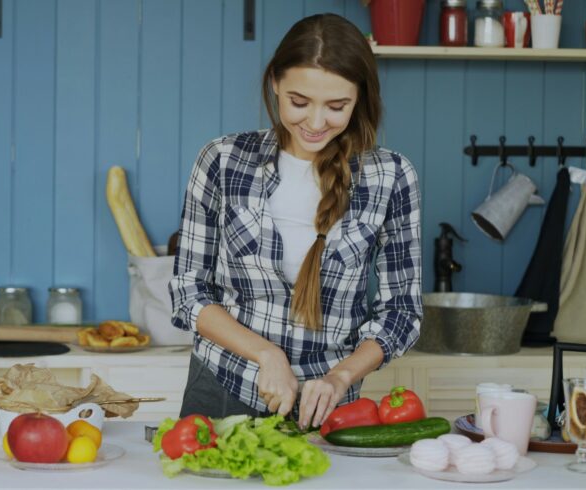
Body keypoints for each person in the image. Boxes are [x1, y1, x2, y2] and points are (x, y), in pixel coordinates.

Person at [169, 13, 422, 430]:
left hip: (331, 405)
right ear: (275, 83)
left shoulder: (391, 177)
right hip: (222, 386)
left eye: (337, 106)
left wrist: (342, 376)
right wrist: (267, 355)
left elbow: (402, 311)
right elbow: (188, 291)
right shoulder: (223, 160)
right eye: (299, 102)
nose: (316, 123)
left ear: (360, 98)